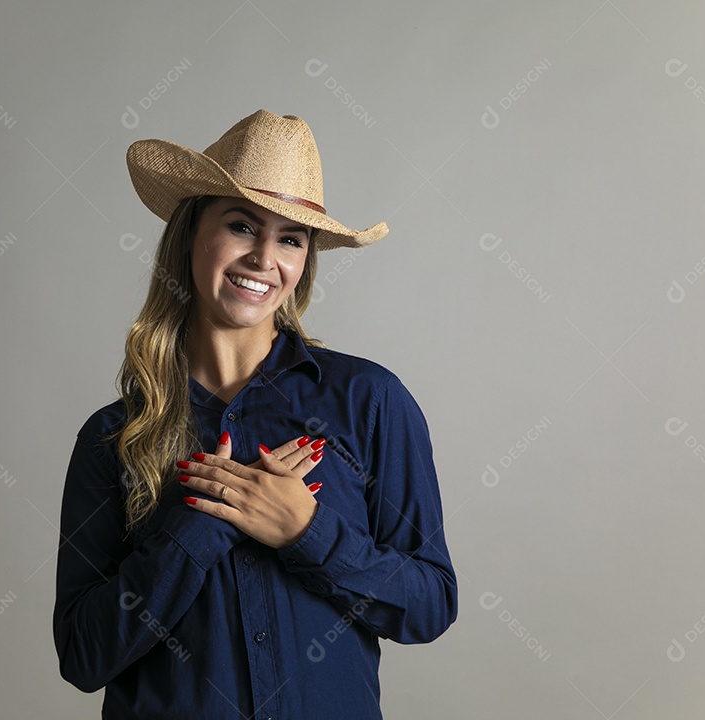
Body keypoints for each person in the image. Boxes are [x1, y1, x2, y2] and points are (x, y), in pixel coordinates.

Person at [53, 109, 457, 719]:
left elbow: (429, 605)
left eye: (290, 239)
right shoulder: (112, 436)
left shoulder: (369, 401)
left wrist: (308, 531)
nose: (264, 258)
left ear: (304, 262)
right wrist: (196, 531)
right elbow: (83, 656)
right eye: (242, 226)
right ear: (192, 234)